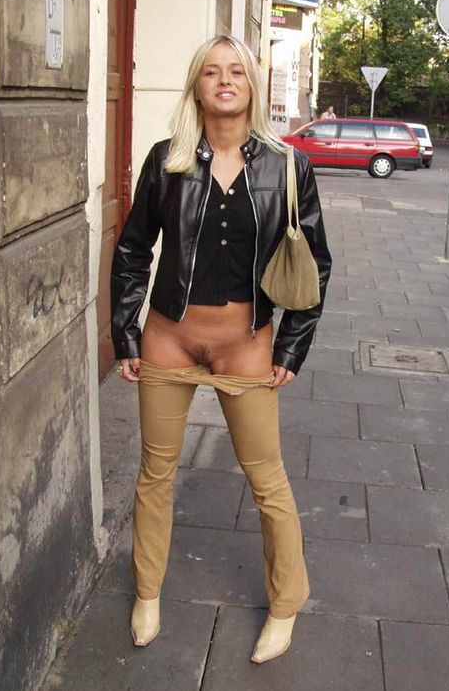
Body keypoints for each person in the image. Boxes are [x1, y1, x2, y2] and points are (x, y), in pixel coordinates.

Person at [110, 34, 331, 663]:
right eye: (212, 72)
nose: (225, 80)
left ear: (252, 86)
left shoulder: (287, 166)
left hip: (246, 343)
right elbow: (132, 251)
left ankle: (285, 604)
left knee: (267, 480)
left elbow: (316, 263)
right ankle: (147, 591)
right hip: (169, 338)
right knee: (155, 474)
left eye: (236, 71)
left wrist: (291, 348)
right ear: (197, 86)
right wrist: (126, 332)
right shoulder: (168, 160)